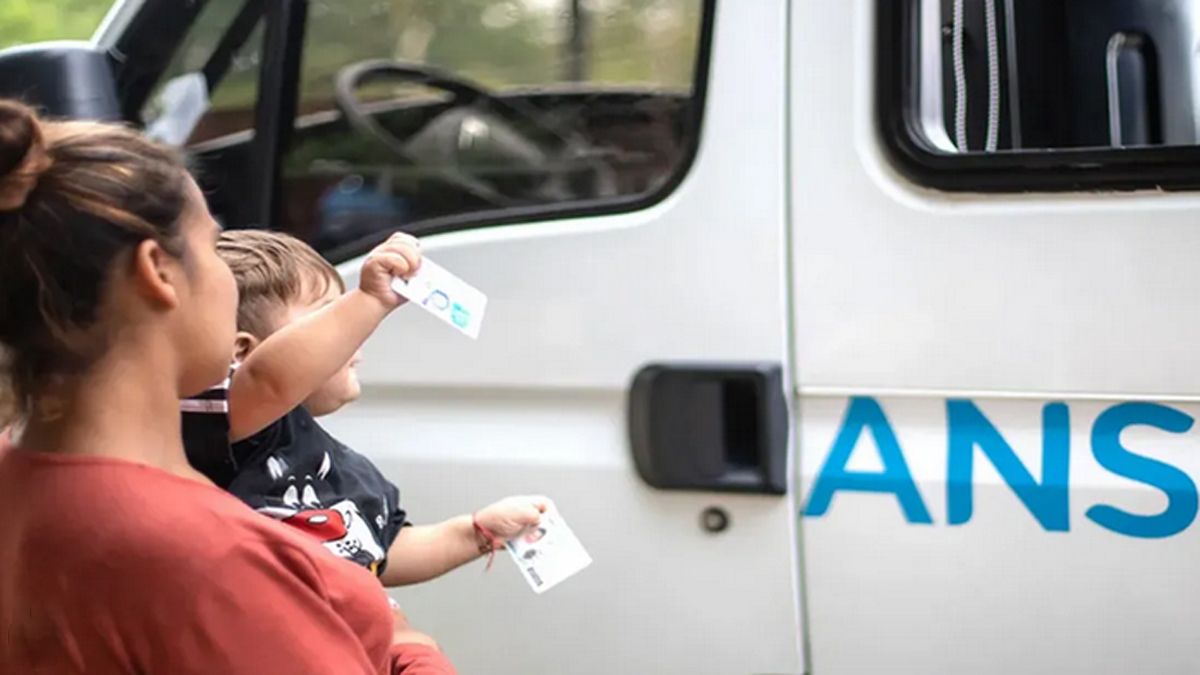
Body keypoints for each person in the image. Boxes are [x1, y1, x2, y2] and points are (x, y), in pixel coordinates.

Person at [0, 100, 454, 674]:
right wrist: (413, 648)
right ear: (157, 273)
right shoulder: (212, 562)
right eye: (214, 247)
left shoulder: (20, 478)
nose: (227, 274)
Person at [182, 229, 547, 585]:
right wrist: (369, 300)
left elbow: (384, 551)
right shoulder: (234, 430)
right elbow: (270, 380)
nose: (352, 331)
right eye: (330, 313)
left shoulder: (340, 465)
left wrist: (477, 532)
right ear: (242, 352)